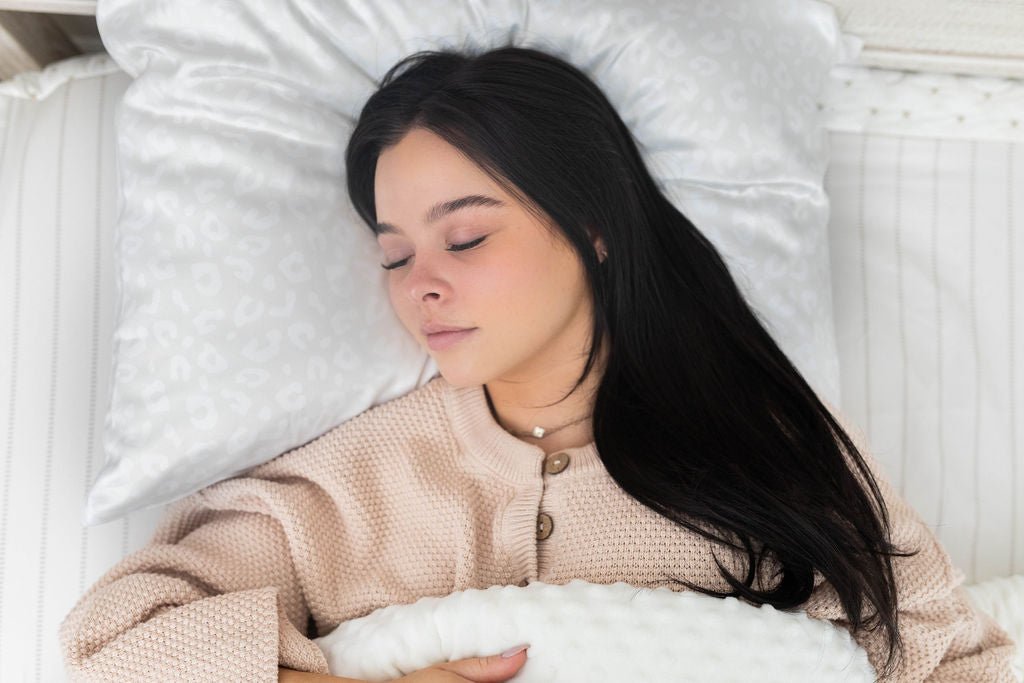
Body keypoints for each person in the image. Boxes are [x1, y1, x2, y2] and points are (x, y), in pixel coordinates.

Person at [60, 45, 1016, 683]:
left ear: (593, 227)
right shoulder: (345, 492)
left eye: (465, 238)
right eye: (394, 254)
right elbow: (113, 645)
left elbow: (950, 657)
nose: (418, 284)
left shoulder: (770, 447)